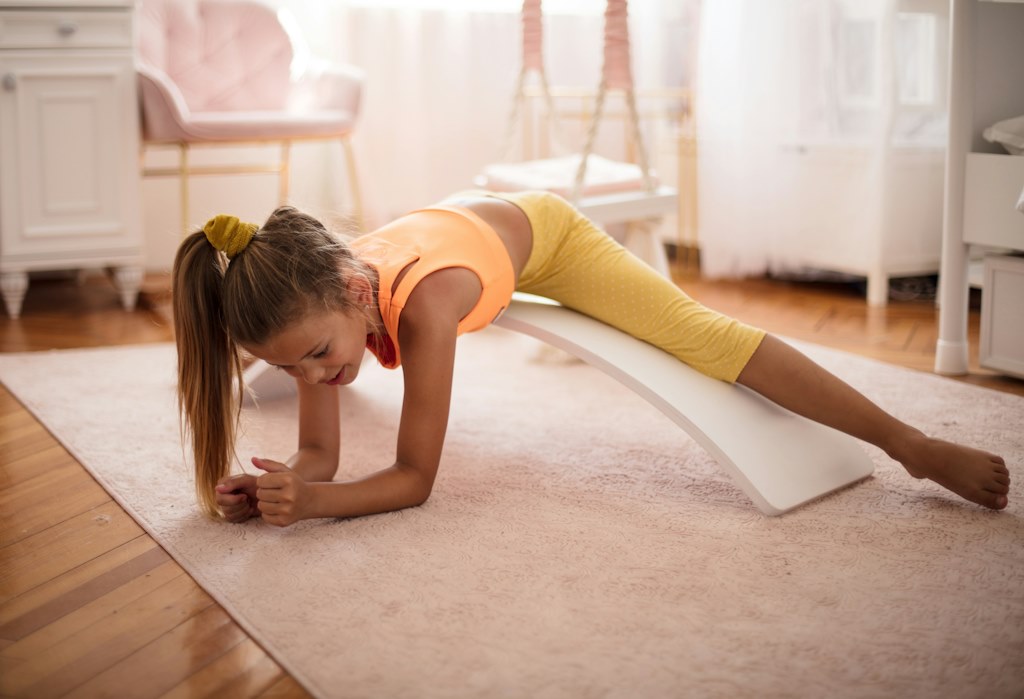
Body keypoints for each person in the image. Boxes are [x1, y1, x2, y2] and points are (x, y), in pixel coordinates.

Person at [172, 191, 1011, 527]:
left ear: (358, 294)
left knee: (701, 337)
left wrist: (315, 509)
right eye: (294, 372)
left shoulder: (421, 310)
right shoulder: (319, 312)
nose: (316, 379)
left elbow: (413, 479)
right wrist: (289, 479)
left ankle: (913, 445)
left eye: (316, 358)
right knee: (323, 367)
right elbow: (321, 453)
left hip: (547, 238)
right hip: (457, 225)